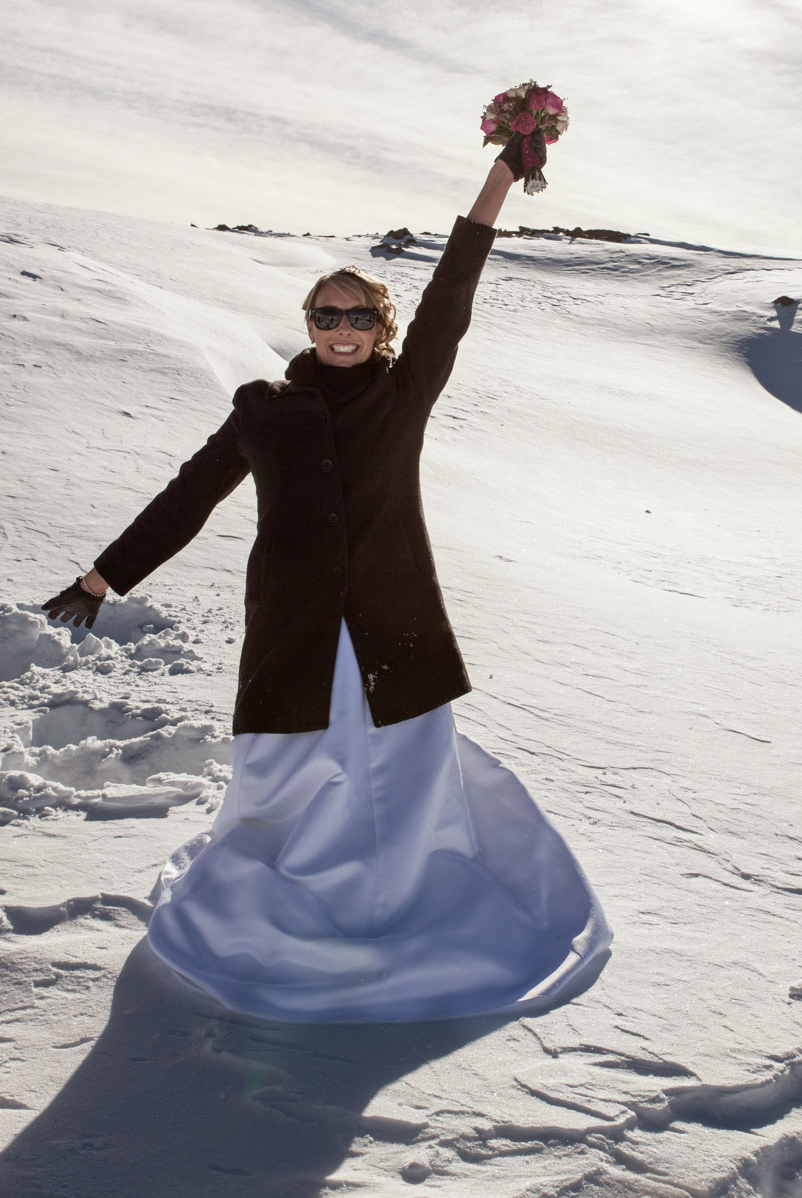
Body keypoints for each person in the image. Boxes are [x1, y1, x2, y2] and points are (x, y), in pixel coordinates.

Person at [43, 135, 612, 1023]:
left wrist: (495, 186)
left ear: (380, 329)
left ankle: (406, 905)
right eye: (324, 317)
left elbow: (450, 304)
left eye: (356, 318)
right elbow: (188, 496)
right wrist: (103, 576)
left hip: (395, 627)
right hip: (295, 629)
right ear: (307, 328)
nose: (340, 331)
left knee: (404, 776)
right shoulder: (263, 411)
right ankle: (287, 909)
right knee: (288, 777)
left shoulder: (405, 391)